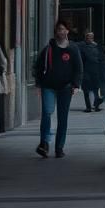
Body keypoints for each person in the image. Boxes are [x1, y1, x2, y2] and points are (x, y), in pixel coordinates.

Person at [34, 20, 82, 159]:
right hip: (48, 86)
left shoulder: (73, 49)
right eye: (58, 29)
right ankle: (44, 143)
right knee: (47, 113)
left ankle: (59, 147)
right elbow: (38, 66)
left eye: (63, 29)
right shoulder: (49, 48)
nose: (60, 32)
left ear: (67, 31)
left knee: (63, 117)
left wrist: (76, 85)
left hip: (65, 87)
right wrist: (38, 84)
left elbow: (78, 69)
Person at [79, 31, 105, 112]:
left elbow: (101, 58)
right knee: (86, 90)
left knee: (95, 89)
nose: (88, 39)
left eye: (90, 37)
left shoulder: (97, 47)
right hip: (86, 71)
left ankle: (95, 106)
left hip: (95, 71)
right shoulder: (82, 46)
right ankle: (89, 107)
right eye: (87, 37)